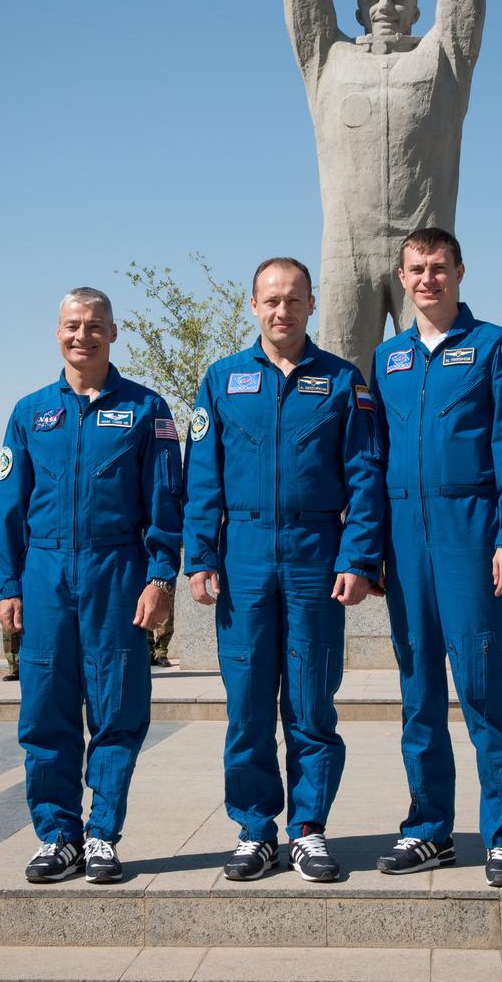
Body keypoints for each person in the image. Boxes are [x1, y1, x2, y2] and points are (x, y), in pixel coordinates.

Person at [183, 258, 384, 882]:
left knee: (310, 701)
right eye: (270, 300)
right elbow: (202, 478)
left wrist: (358, 556)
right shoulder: (221, 380)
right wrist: (199, 556)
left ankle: (309, 830)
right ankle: (253, 829)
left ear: (311, 304)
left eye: (293, 299)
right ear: (252, 306)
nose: (281, 310)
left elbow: (365, 475)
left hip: (314, 554)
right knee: (246, 704)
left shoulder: (344, 382)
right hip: (242, 554)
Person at [281, 0, 486, 380]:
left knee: (434, 381)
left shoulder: (443, 59)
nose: (385, 4)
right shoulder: (327, 60)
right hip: (347, 251)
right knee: (339, 389)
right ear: (355, 10)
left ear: (419, 10)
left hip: (424, 254)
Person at [0, 287, 182, 884]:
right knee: (46, 712)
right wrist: (10, 585)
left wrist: (160, 576)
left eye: (94, 325)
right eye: (73, 325)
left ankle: (102, 836)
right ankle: (57, 836)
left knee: (118, 711)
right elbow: (7, 507)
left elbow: (165, 502)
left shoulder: (148, 409)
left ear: (113, 333)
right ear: (57, 333)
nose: (83, 335)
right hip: (46, 576)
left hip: (117, 573)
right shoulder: (29, 413)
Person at [370, 229, 502, 887]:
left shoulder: (497, 347)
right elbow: (372, 458)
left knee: (482, 688)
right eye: (416, 269)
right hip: (404, 543)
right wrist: (371, 548)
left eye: (439, 268)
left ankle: (501, 837)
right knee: (417, 696)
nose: (427, 279)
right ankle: (428, 830)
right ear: (402, 276)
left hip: (470, 535)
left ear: (459, 271)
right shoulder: (387, 359)